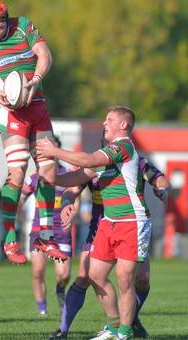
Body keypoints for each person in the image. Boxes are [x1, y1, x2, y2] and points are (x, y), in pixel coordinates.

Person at [36, 106, 153, 339]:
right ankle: (113, 327)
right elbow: (78, 177)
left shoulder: (123, 147)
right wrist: (52, 179)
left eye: (109, 119)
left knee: (125, 278)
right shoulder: (105, 155)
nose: (104, 123)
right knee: (95, 274)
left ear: (124, 125)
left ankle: (124, 333)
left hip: (132, 221)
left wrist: (55, 151)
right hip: (109, 223)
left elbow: (88, 159)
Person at [0, 0, 67, 264]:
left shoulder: (23, 26)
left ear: (7, 21)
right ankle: (9, 237)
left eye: (0, 26)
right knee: (19, 170)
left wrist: (35, 79)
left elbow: (45, 55)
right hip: (10, 112)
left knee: (48, 169)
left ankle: (46, 235)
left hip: (37, 107)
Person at [48, 155, 172, 339]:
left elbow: (160, 179)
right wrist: (67, 203)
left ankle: (130, 320)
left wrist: (162, 189)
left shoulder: (135, 161)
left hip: (131, 227)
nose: (106, 128)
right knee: (84, 276)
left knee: (142, 278)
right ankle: (63, 330)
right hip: (100, 228)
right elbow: (71, 189)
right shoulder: (95, 162)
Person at [19, 135, 80, 316]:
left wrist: (72, 216)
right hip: (39, 230)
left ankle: (60, 289)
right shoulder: (34, 177)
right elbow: (21, 199)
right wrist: (15, 213)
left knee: (64, 275)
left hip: (61, 230)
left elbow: (76, 198)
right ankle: (42, 308)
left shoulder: (68, 174)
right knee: (38, 271)